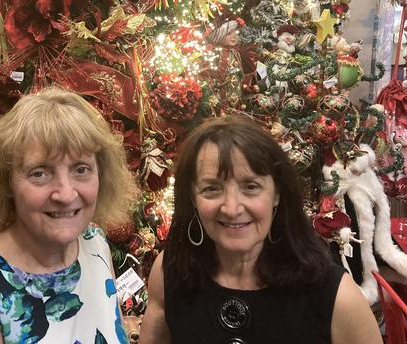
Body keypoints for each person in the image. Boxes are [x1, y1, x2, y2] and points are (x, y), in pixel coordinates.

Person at [140, 116, 382, 344]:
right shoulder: (171, 271)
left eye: (251, 187)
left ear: (276, 193)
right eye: (212, 188)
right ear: (193, 198)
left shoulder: (335, 296)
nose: (232, 208)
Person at [0, 87, 138, 343]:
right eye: (39, 173)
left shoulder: (94, 243)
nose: (65, 194)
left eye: (81, 169)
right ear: (6, 182)